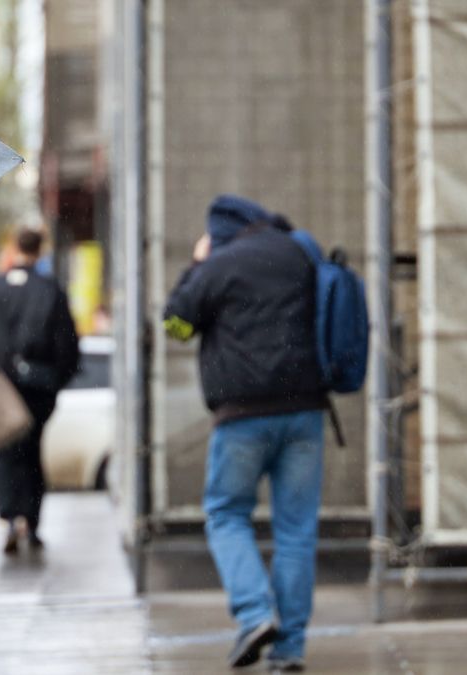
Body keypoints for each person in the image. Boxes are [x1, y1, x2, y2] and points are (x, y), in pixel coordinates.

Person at [163, 194, 328, 672]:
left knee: (226, 513)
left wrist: (196, 267)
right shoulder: (299, 252)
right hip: (306, 411)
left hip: (243, 415)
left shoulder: (220, 265)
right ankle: (290, 648)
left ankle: (255, 613)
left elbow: (176, 326)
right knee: (296, 530)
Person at [0, 228, 80, 554]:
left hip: (1, 387)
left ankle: (9, 517)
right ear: (40, 249)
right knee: (32, 451)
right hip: (39, 388)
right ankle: (31, 521)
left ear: (13, 248)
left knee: (5, 452)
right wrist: (56, 381)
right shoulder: (50, 290)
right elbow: (67, 345)